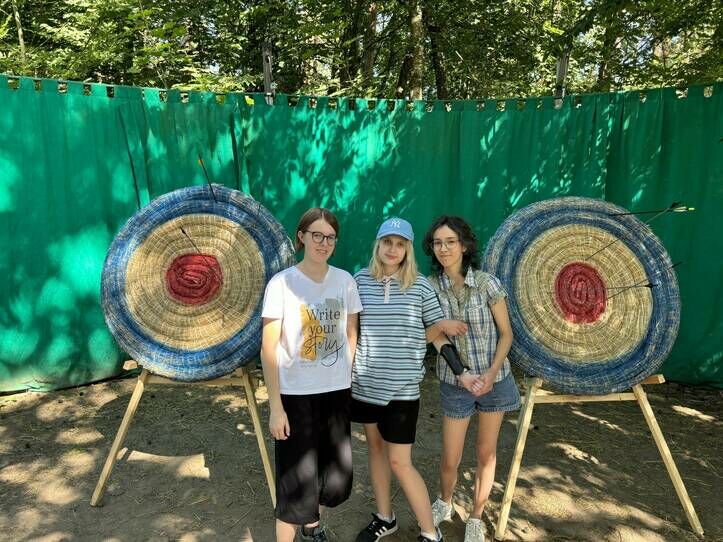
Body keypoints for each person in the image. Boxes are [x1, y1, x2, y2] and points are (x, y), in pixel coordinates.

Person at [351, 217, 484, 542]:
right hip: (366, 386)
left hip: (402, 390)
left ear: (408, 249)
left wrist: (463, 373)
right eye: (387, 242)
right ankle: (385, 518)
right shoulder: (359, 281)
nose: (392, 249)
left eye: (400, 244)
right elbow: (351, 331)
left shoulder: (420, 286)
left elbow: (438, 336)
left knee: (400, 462)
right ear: (378, 245)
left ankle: (430, 533)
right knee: (376, 450)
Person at [260, 208, 363, 542]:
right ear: (301, 237)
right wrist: (276, 407)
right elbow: (269, 348)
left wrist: (343, 373)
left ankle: (313, 528)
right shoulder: (282, 284)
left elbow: (351, 331)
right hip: (295, 396)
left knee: (333, 478)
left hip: (336, 394)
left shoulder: (345, 281)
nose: (324, 243)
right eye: (316, 235)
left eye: (330, 237)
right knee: (296, 485)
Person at [422, 215, 520, 542]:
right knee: (451, 456)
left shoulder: (488, 283)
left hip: (494, 381)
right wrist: (442, 329)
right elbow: (428, 337)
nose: (443, 249)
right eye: (437, 243)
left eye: (450, 242)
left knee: (485, 453)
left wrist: (491, 374)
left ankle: (476, 517)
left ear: (464, 246)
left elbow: (506, 334)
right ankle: (445, 502)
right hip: (456, 383)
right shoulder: (430, 287)